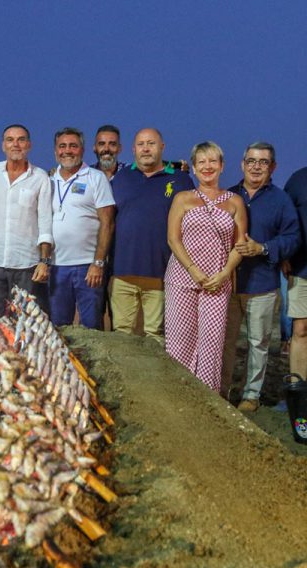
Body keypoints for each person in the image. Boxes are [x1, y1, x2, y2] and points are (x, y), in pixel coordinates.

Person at [220, 143, 300, 410]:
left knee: (258, 343)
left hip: (262, 283)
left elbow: (292, 237)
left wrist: (263, 248)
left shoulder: (281, 200)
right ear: (242, 164)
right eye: (251, 161)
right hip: (228, 284)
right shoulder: (227, 195)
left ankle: (251, 395)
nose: (256, 167)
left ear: (272, 167)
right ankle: (220, 390)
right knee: (224, 341)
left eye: (263, 162)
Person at [164, 142, 247, 391]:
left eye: (212, 161)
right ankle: (179, 395)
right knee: (180, 341)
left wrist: (225, 274)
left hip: (217, 283)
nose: (207, 166)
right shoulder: (182, 198)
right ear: (194, 167)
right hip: (182, 279)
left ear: (221, 166)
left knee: (212, 343)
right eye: (201, 162)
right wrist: (193, 270)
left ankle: (207, 398)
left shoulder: (234, 201)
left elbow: (240, 244)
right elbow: (173, 239)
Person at [110, 128, 194, 342]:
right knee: (121, 335)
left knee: (155, 337)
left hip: (161, 273)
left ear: (162, 147)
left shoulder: (180, 180)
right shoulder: (121, 178)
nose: (146, 149)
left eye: (151, 143)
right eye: (141, 144)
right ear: (133, 149)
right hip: (123, 273)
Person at [0, 124, 53, 316]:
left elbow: (45, 222)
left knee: (25, 321)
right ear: (3, 145)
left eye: (21, 140)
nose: (16, 144)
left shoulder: (40, 177)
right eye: (10, 140)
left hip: (27, 265)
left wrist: (44, 261)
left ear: (29, 145)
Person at [49, 127, 115, 329]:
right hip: (56, 266)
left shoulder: (96, 177)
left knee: (91, 328)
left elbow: (108, 222)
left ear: (82, 150)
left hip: (88, 266)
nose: (67, 151)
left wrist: (98, 262)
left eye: (73, 146)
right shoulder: (48, 180)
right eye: (62, 146)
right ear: (55, 151)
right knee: (58, 329)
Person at [284, 163, 307, 382]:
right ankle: (298, 390)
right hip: (302, 267)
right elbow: (285, 221)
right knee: (301, 329)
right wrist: (284, 256)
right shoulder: (298, 180)